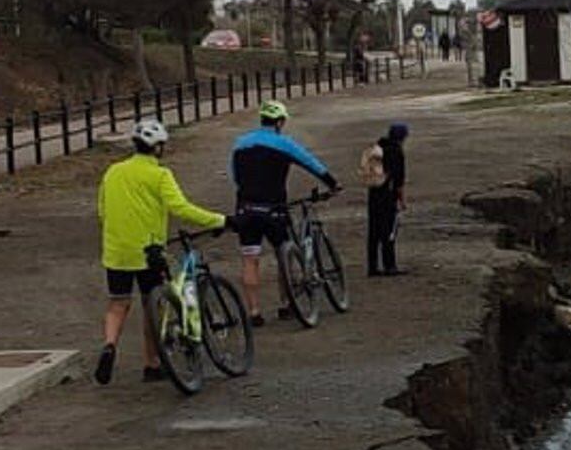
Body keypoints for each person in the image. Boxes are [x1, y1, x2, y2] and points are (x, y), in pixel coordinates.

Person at [95, 118, 227, 385]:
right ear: (157, 148)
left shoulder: (113, 172)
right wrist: (217, 219)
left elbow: (102, 210)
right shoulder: (160, 174)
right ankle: (151, 364)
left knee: (118, 303)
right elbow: (181, 208)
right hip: (148, 251)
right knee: (152, 304)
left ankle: (109, 345)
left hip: (116, 251)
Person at [230, 100, 339, 325]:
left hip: (246, 207)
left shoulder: (240, 143)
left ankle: (254, 312)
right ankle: (286, 303)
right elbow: (311, 163)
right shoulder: (284, 143)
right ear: (280, 122)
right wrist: (332, 183)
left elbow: (235, 176)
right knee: (283, 253)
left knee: (250, 259)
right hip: (273, 208)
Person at [361, 122, 409, 276]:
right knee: (388, 231)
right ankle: (390, 265)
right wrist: (402, 201)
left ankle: (372, 267)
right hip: (387, 195)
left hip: (373, 192)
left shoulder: (377, 148)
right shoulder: (397, 152)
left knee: (373, 232)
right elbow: (399, 180)